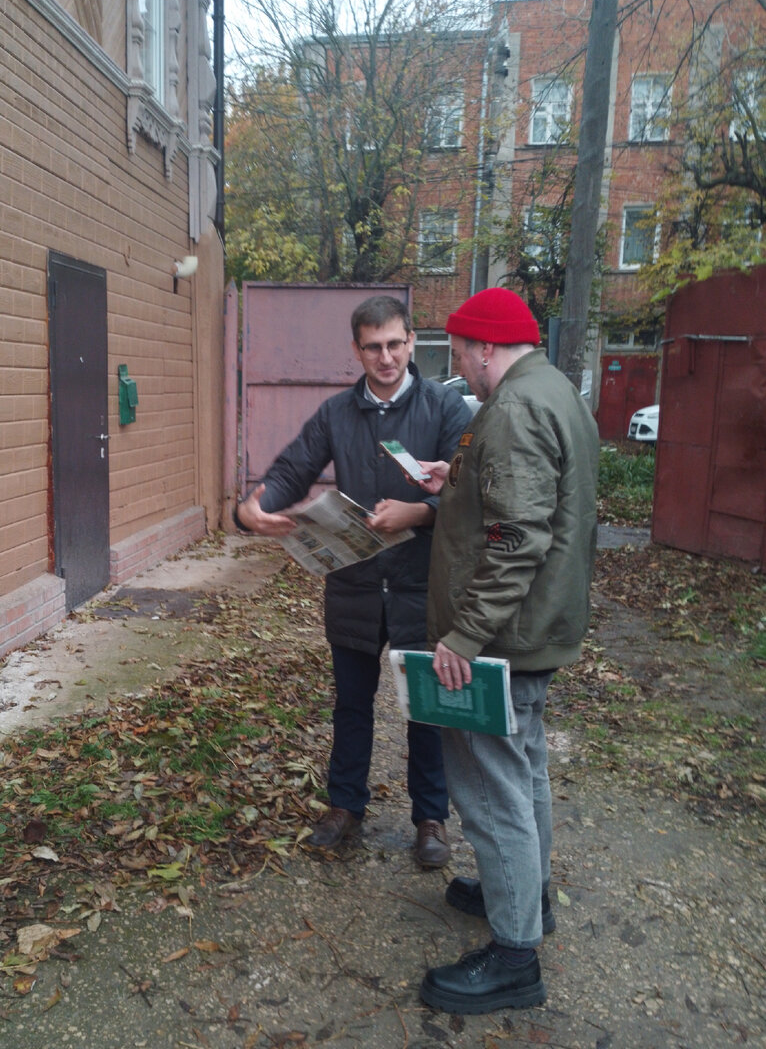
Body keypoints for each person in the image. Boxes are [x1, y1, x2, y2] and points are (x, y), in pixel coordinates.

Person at [414, 287, 599, 1014]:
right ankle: (527, 896)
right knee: (526, 775)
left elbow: (518, 538)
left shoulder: (516, 408)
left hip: (500, 639)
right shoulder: (552, 389)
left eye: (459, 353)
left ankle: (515, 955)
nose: (459, 367)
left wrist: (462, 636)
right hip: (537, 628)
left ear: (485, 347)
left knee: (491, 790)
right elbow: (530, 503)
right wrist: (453, 482)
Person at [235, 295, 471, 866]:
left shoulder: (447, 410)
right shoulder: (336, 413)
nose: (385, 357)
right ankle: (345, 807)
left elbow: (473, 497)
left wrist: (418, 514)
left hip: (421, 586)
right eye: (373, 347)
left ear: (413, 341)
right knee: (351, 704)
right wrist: (252, 506)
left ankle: (430, 819)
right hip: (356, 584)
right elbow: (294, 467)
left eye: (395, 344)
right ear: (356, 350)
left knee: (427, 709)